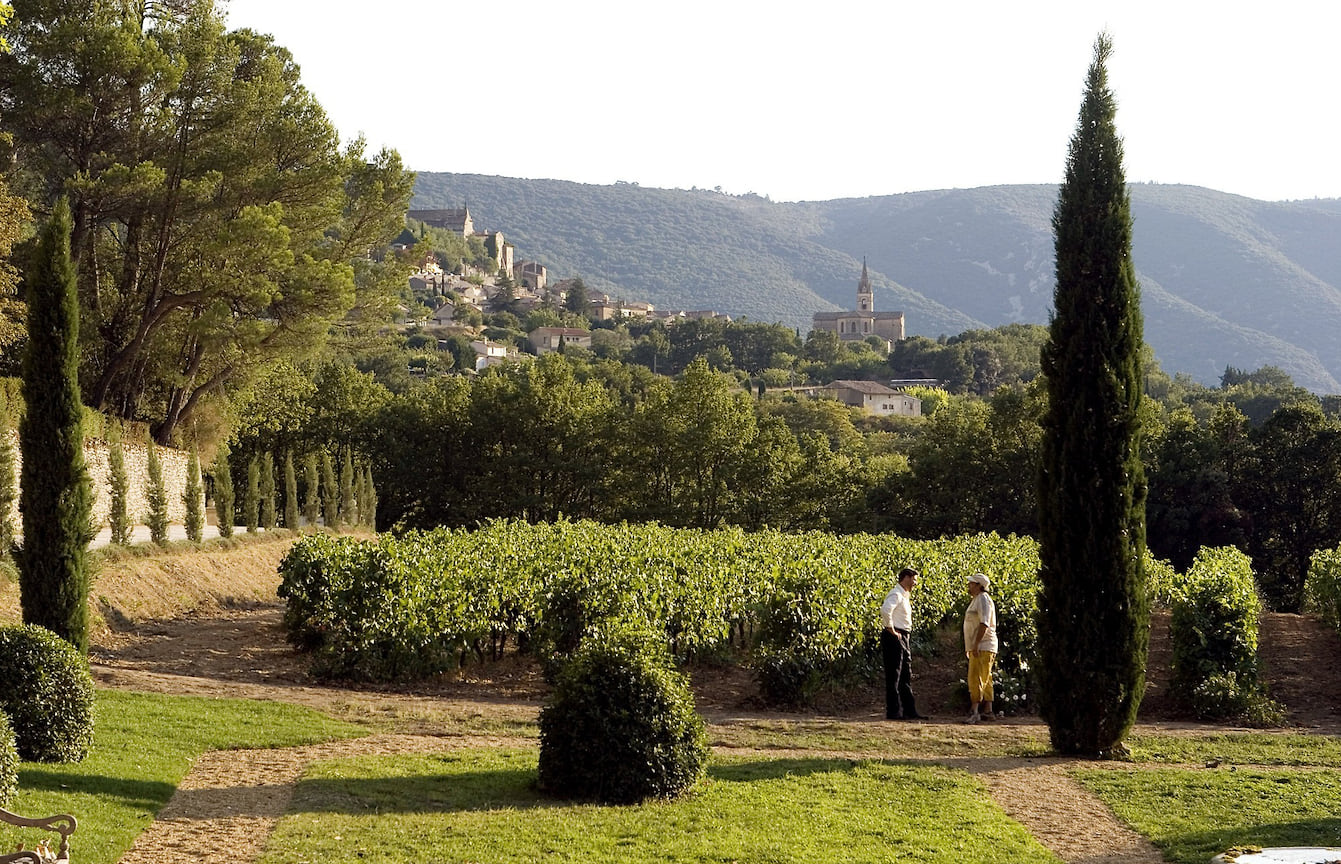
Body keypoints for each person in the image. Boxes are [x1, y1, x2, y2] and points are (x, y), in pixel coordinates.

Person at [880, 567, 924, 720]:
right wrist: (891, 629)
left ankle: (909, 711)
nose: (915, 583)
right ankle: (893, 712)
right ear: (906, 577)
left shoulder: (904, 596)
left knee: (905, 673)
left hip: (902, 635)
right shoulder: (896, 594)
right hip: (895, 636)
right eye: (914, 579)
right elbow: (886, 610)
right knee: (895, 675)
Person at [963, 572, 999, 724]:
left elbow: (984, 623)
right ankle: (988, 710)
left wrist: (976, 644)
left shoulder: (983, 599)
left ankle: (975, 711)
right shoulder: (977, 599)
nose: (969, 586)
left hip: (983, 645)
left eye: (972, 583)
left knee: (976, 676)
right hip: (980, 645)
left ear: (979, 586)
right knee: (986, 677)